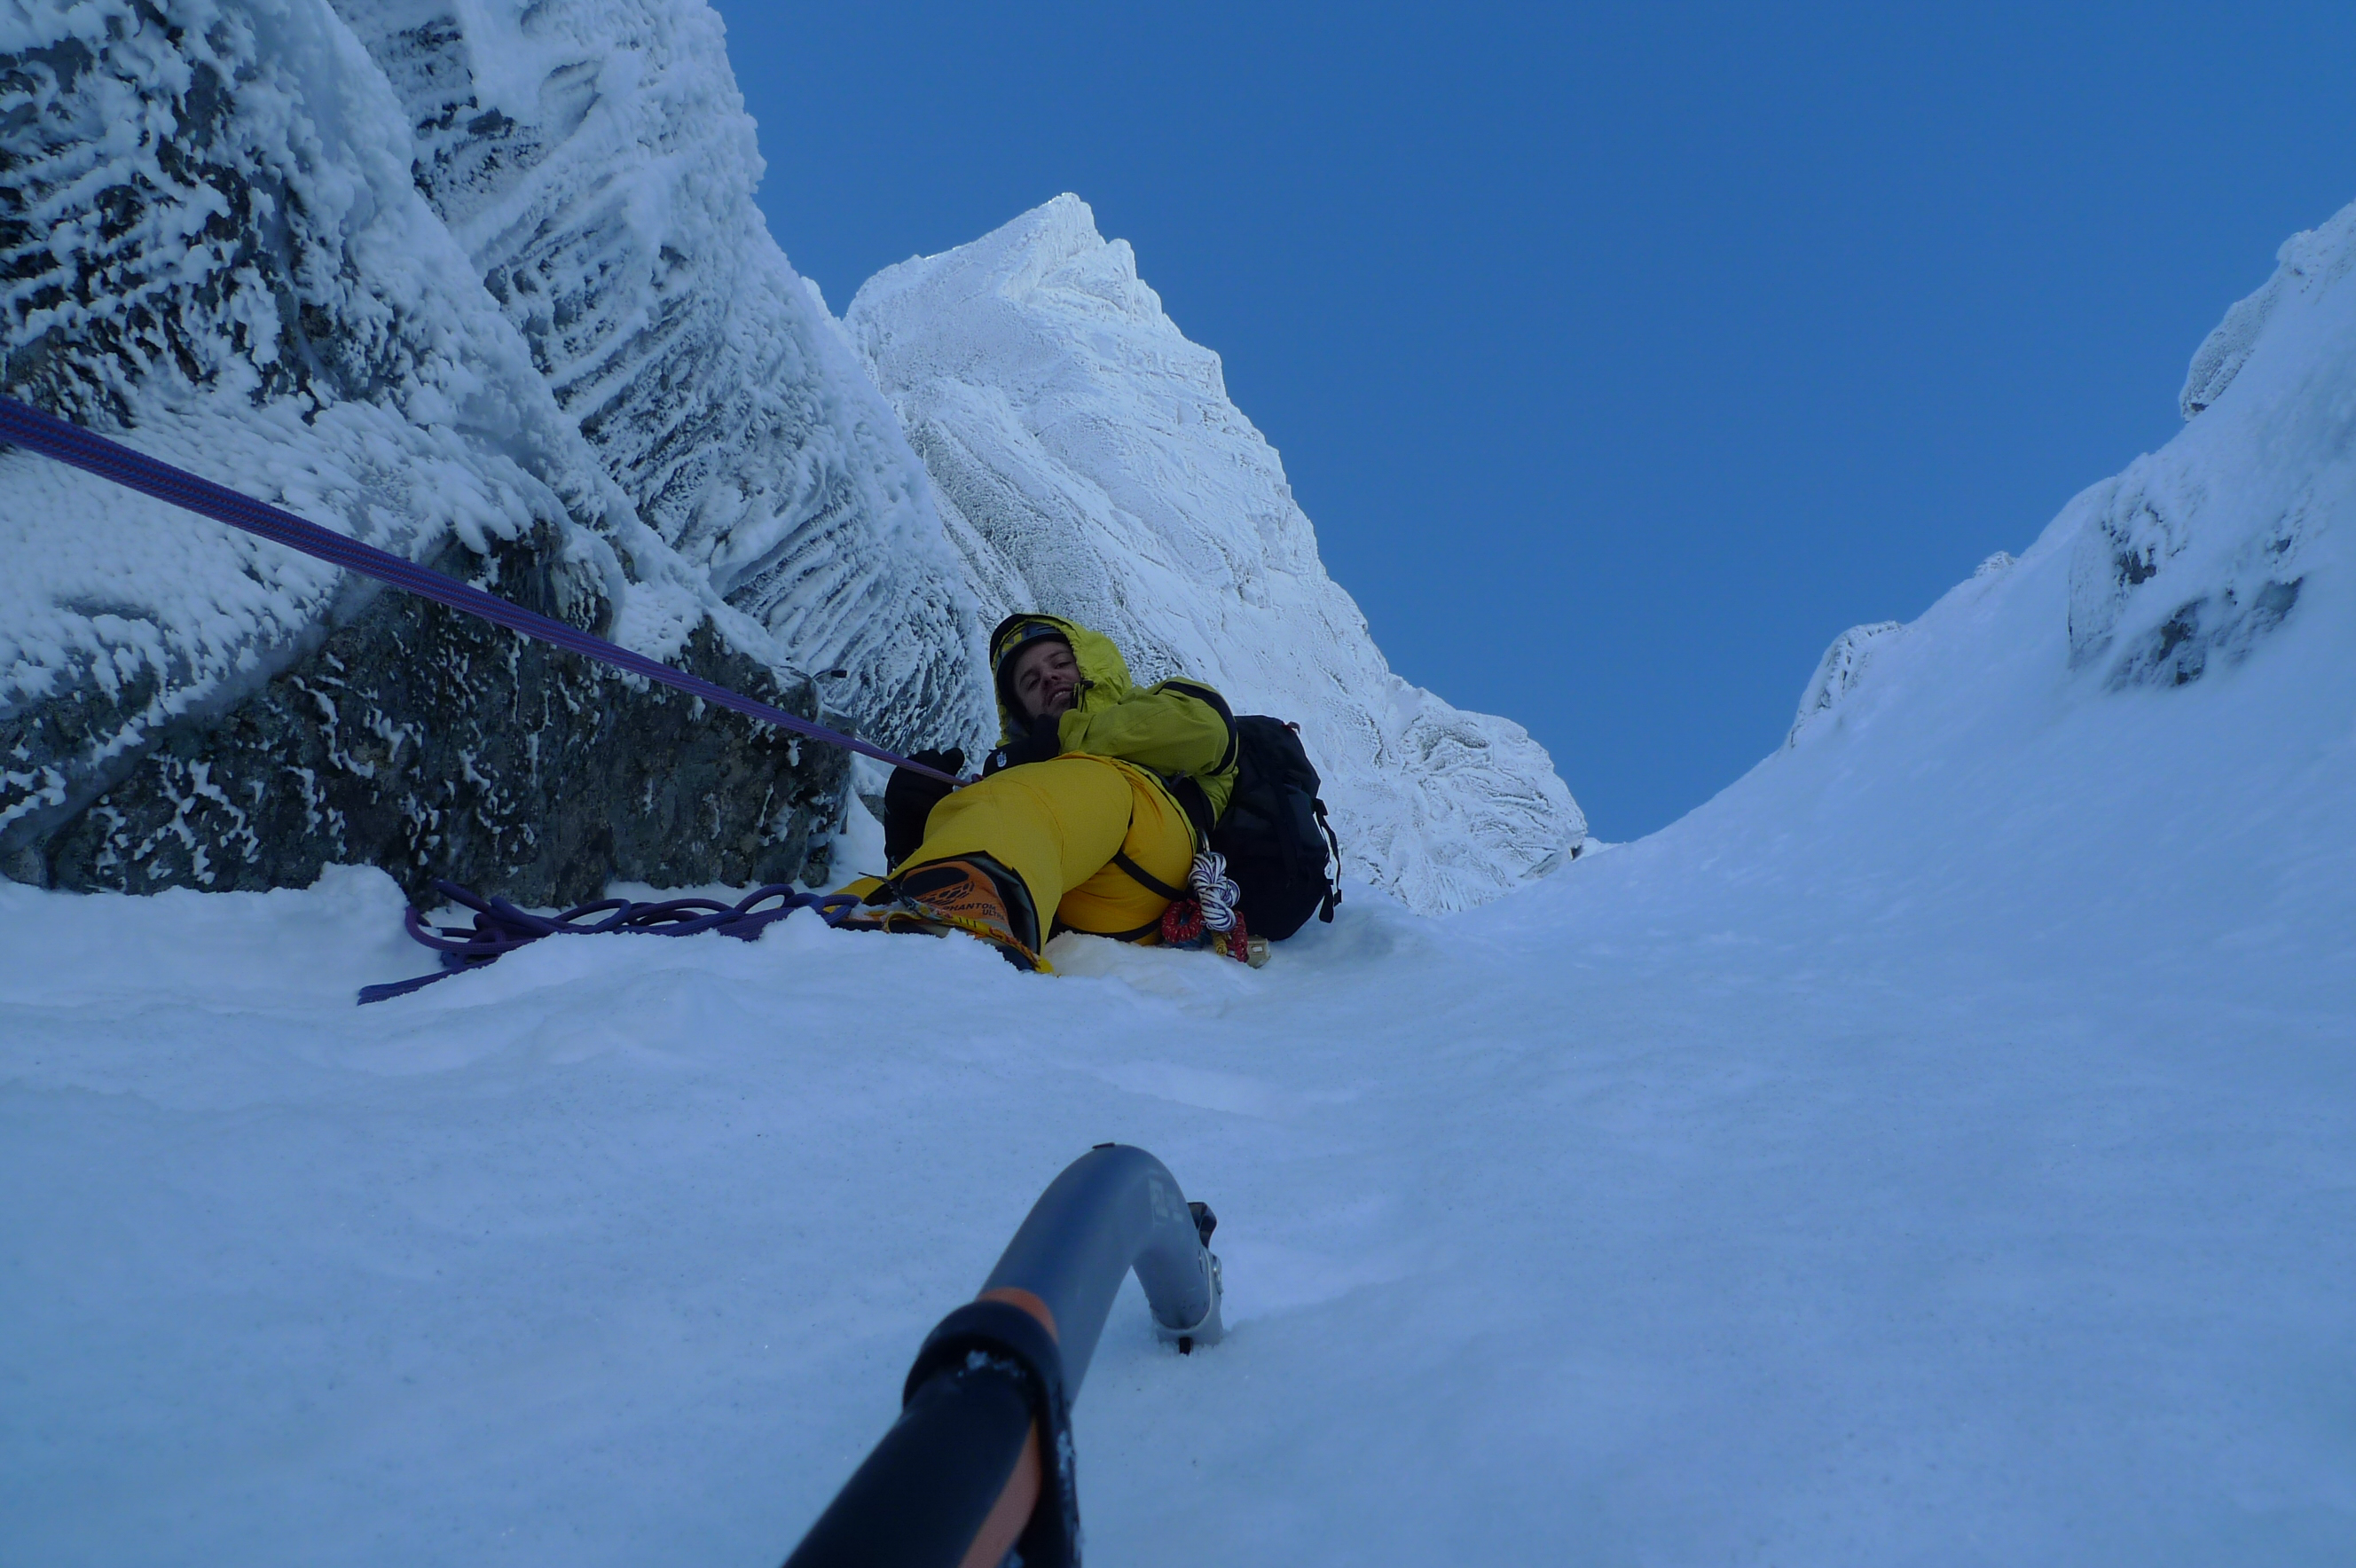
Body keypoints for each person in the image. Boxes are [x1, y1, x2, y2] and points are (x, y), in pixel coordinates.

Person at [839, 614, 1240, 969]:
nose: (1048, 677)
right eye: (1031, 682)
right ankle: (861, 911)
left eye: (1061, 663)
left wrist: (1060, 739)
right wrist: (915, 826)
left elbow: (1206, 732)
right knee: (994, 805)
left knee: (1070, 784)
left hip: (1150, 854)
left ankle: (964, 903)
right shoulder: (1019, 772)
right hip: (1062, 905)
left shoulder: (1161, 701)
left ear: (1091, 665)